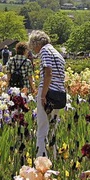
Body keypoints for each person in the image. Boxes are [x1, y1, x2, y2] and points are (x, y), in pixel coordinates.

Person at [28, 30, 65, 159]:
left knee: (42, 127)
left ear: (37, 43)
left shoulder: (44, 51)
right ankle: (52, 157)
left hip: (48, 92)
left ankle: (41, 159)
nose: (33, 50)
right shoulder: (57, 53)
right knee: (52, 128)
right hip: (59, 93)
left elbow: (48, 73)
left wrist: (43, 95)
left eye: (33, 46)